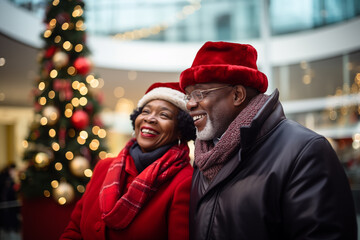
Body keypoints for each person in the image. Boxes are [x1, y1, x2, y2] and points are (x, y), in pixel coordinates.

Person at [179, 41, 358, 240]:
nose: (190, 104)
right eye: (188, 95)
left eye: (199, 94)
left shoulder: (305, 151)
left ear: (237, 95)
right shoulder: (204, 156)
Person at [60, 82, 196, 240]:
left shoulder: (184, 182)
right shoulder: (103, 167)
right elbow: (74, 229)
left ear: (181, 130)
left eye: (164, 115)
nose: (150, 119)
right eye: (145, 111)